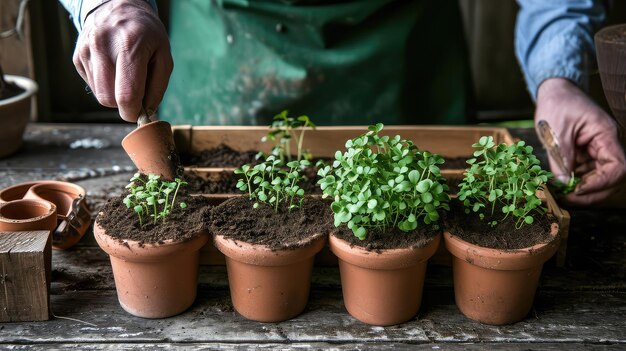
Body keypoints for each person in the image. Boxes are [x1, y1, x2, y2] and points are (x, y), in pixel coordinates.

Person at [58, 0, 626, 206]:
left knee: (439, 197)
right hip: (227, 41)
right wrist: (108, 3)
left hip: (404, 49)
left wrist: (559, 77)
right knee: (204, 191)